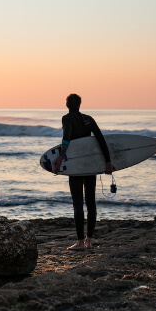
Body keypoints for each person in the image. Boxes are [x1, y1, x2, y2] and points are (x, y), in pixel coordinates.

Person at [54, 94, 114, 251]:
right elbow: (101, 140)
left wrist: (61, 157)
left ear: (66, 104)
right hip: (90, 165)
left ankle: (80, 242)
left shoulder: (67, 118)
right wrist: (107, 162)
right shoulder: (89, 119)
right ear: (80, 104)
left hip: (76, 165)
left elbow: (66, 138)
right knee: (91, 203)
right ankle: (89, 241)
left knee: (78, 204)